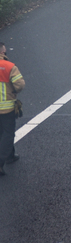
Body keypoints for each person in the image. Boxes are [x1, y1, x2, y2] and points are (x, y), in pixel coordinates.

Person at [0, 42, 24, 177]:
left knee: (1, 133)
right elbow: (20, 85)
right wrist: (12, 91)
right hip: (6, 108)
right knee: (8, 134)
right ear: (2, 52)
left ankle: (10, 156)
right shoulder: (9, 67)